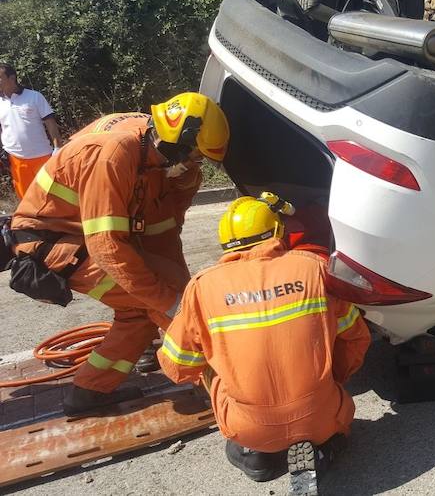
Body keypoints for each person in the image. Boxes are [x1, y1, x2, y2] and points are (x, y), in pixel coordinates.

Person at [9, 92, 229, 414]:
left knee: (143, 310)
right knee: (155, 298)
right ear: (174, 143)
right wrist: (172, 303)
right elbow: (106, 246)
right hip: (52, 240)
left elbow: (165, 235)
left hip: (82, 235)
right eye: (195, 156)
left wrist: (181, 292)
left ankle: (88, 391)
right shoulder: (116, 154)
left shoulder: (154, 156)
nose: (196, 166)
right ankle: (221, 382)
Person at [158, 192, 371, 496]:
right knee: (327, 347)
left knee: (209, 359)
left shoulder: (202, 287)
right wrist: (333, 377)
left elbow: (177, 366)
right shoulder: (314, 268)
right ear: (277, 231)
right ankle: (325, 449)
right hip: (322, 414)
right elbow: (356, 337)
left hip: (249, 427)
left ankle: (257, 456)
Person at [0, 63, 63, 198]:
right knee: (27, 200)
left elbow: (50, 123)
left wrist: (58, 147)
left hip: (41, 156)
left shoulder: (34, 97)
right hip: (16, 159)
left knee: (51, 197)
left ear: (12, 78)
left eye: (0, 78)